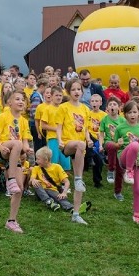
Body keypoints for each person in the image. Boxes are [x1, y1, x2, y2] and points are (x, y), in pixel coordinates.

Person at [0, 90, 34, 233]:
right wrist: (1, 147)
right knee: (16, 143)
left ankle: (11, 221)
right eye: (17, 99)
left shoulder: (24, 121)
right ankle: (11, 179)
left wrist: (27, 150)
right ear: (9, 102)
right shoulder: (3, 116)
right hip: (1, 151)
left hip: (15, 156)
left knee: (19, 189)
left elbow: (25, 141)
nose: (21, 102)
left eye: (23, 100)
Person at [56, 78, 92, 224]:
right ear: (68, 92)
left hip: (80, 147)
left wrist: (89, 139)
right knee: (79, 144)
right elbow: (59, 126)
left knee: (80, 181)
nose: (76, 92)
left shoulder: (85, 109)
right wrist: (59, 140)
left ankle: (76, 214)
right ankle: (77, 179)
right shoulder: (63, 107)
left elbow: (86, 129)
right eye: (73, 89)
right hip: (68, 144)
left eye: (79, 89)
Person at [115, 100, 139, 226]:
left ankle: (137, 215)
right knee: (134, 144)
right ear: (125, 114)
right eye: (129, 112)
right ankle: (128, 171)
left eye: (135, 112)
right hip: (124, 159)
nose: (132, 115)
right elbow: (116, 145)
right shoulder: (120, 127)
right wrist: (117, 144)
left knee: (138, 189)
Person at [29, 146, 72, 211]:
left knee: (59, 196)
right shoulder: (36, 168)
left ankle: (70, 208)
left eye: (38, 159)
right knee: (37, 183)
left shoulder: (57, 167)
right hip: (40, 191)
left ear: (46, 160)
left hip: (53, 190)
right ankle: (49, 201)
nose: (36, 161)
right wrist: (33, 180)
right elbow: (31, 181)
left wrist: (64, 192)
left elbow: (67, 182)